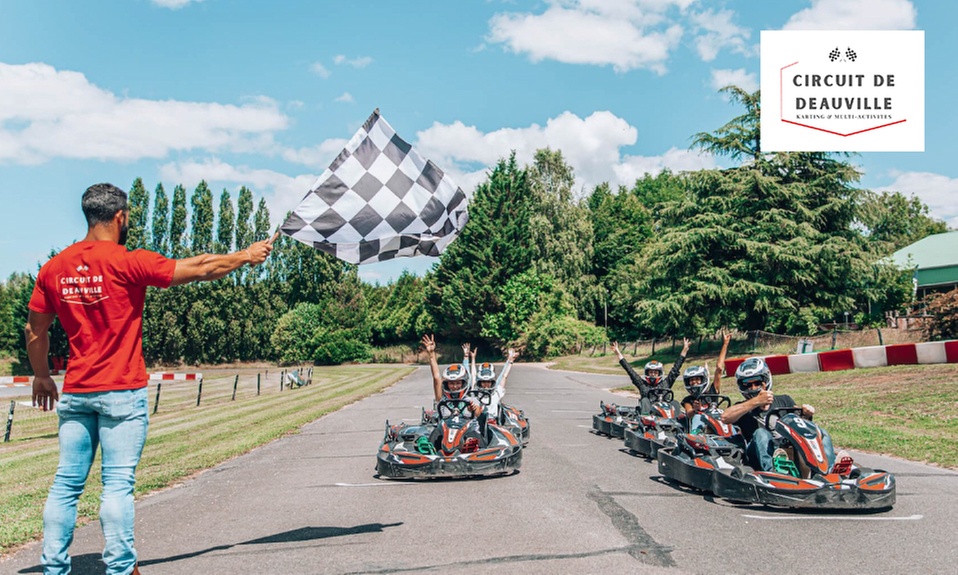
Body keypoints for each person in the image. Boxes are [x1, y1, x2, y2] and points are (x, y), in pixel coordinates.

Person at [25, 183, 275, 575]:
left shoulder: (54, 268)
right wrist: (246, 255)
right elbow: (202, 267)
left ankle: (53, 567)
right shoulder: (128, 261)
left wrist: (41, 376)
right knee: (117, 484)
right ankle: (121, 568)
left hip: (76, 392)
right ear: (120, 217)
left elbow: (35, 330)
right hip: (122, 392)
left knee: (66, 486)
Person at [720, 357, 840, 474]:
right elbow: (725, 417)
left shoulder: (784, 400)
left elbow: (799, 425)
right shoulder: (743, 407)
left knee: (821, 432)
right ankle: (773, 472)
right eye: (748, 384)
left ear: (766, 381)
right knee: (761, 433)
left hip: (788, 448)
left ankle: (827, 471)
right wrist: (757, 401)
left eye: (757, 383)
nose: (753, 388)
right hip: (756, 456)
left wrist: (806, 415)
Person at [611, 338, 690, 414]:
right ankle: (646, 419)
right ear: (647, 373)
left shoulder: (666, 383)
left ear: (660, 373)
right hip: (649, 415)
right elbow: (629, 370)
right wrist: (618, 353)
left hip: (665, 413)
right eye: (651, 372)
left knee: (674, 402)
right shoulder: (642, 385)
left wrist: (684, 350)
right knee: (645, 400)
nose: (652, 374)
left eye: (655, 372)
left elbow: (676, 369)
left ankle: (678, 422)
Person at [420, 334, 482, 418]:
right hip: (446, 430)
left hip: (466, 430)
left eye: (458, 383)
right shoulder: (442, 399)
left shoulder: (470, 399)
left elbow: (478, 412)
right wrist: (431, 354)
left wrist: (472, 409)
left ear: (463, 383)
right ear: (446, 384)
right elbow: (436, 377)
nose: (455, 386)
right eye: (451, 383)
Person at [679, 331, 732, 417]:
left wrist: (725, 344)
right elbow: (689, 414)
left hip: (714, 425)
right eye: (692, 380)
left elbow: (719, 368)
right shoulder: (688, 400)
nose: (694, 382)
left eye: (697, 379)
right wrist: (695, 410)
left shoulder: (712, 392)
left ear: (703, 380)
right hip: (698, 428)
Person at [473, 348, 519, 420]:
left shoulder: (496, 393)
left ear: (492, 382)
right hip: (478, 423)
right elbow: (473, 376)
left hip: (493, 422)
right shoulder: (475, 394)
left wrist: (510, 361)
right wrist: (471, 359)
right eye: (483, 382)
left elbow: (504, 376)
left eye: (488, 382)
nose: (486, 385)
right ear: (479, 382)